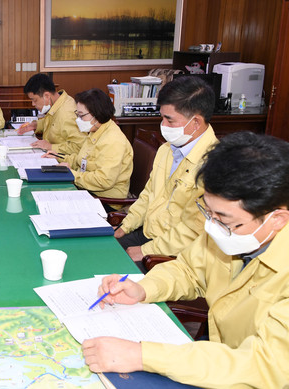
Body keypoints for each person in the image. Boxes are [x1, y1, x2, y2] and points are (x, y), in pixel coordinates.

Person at [83, 132, 289, 388]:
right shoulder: (233, 231)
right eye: (207, 212)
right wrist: (143, 288)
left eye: (223, 218)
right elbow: (189, 270)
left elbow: (264, 365)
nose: (212, 226)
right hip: (215, 357)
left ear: (277, 219)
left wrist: (142, 355)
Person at [115, 77, 218, 268]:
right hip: (146, 233)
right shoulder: (167, 149)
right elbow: (148, 195)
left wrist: (146, 251)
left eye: (169, 120)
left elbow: (192, 231)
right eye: (161, 117)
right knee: (97, 254)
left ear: (195, 122)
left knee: (110, 278)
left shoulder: (214, 165)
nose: (163, 125)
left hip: (174, 254)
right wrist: (125, 226)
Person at [44, 89, 133, 207]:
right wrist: (58, 157)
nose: (78, 120)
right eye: (77, 115)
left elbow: (103, 180)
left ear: (97, 113)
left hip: (105, 201)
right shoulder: (96, 130)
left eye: (81, 116)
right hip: (88, 190)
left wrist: (72, 174)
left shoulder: (113, 141)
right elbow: (81, 160)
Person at [18, 73, 85, 154]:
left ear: (46, 96)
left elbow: (79, 147)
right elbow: (54, 123)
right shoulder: (57, 102)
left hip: (63, 161)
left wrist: (50, 147)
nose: (33, 104)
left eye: (34, 100)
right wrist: (35, 125)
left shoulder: (67, 114)